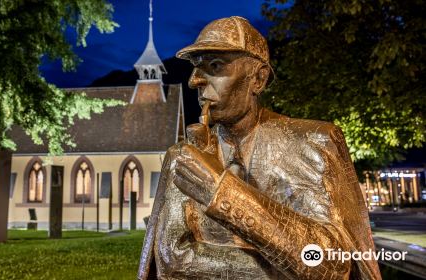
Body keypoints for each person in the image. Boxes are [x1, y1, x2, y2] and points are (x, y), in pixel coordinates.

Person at [138, 16, 381, 280]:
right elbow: (172, 260)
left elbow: (331, 264)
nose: (194, 80)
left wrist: (222, 193)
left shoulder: (311, 142)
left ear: (258, 79)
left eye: (215, 66)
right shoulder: (185, 155)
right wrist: (279, 269)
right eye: (196, 68)